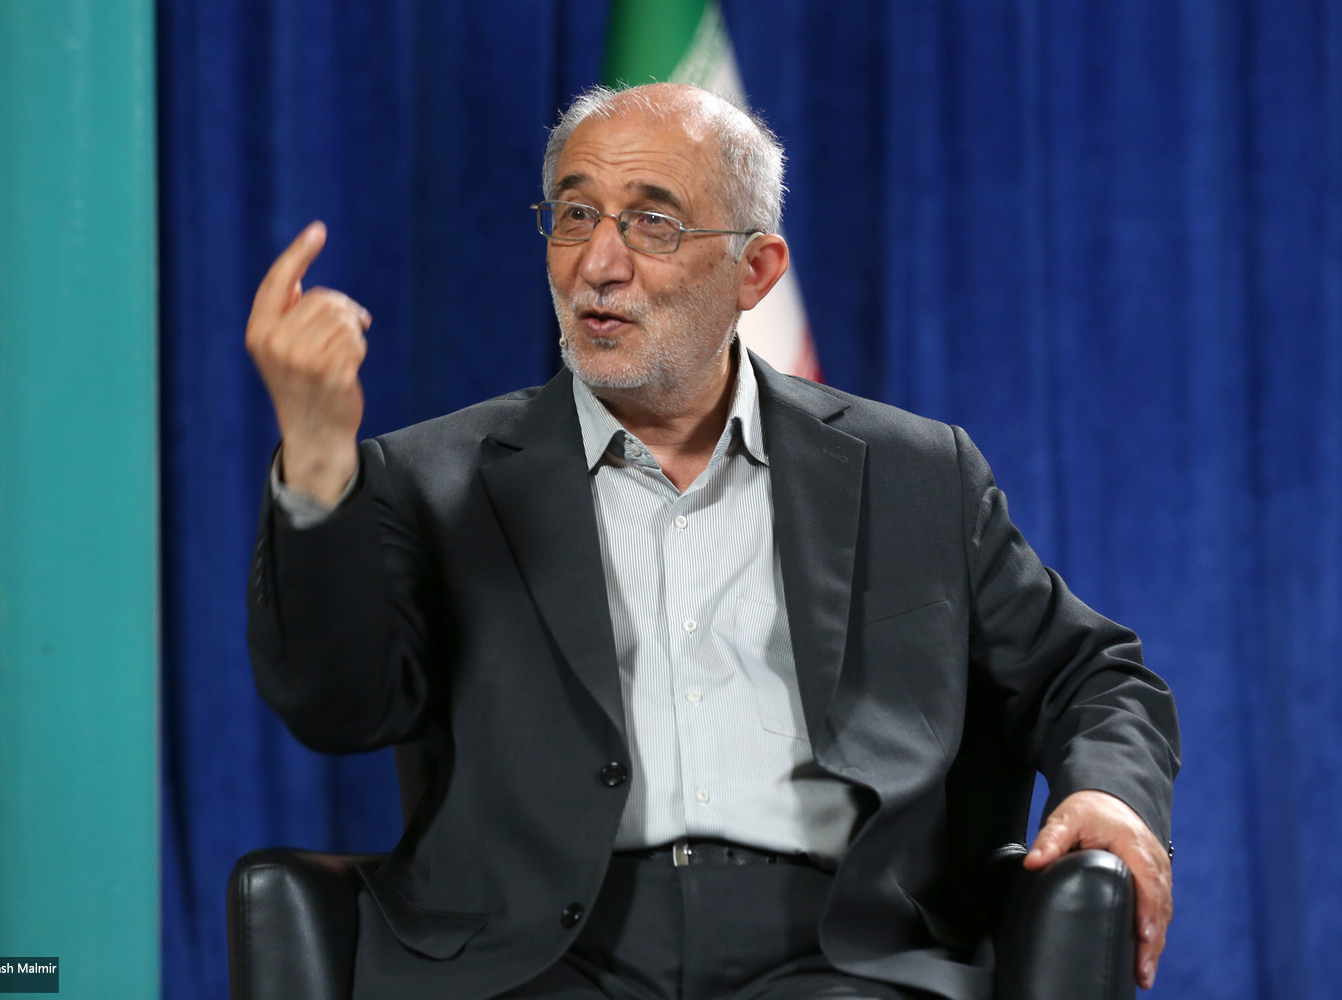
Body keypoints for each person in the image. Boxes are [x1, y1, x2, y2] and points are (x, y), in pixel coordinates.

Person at [244, 83, 1179, 1000]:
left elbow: (1090, 674)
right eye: (575, 214)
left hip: (839, 956)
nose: (597, 263)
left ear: (755, 271)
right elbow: (338, 707)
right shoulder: (433, 478)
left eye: (653, 223)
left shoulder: (914, 472)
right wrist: (320, 463)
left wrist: (1109, 793)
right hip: (542, 956)